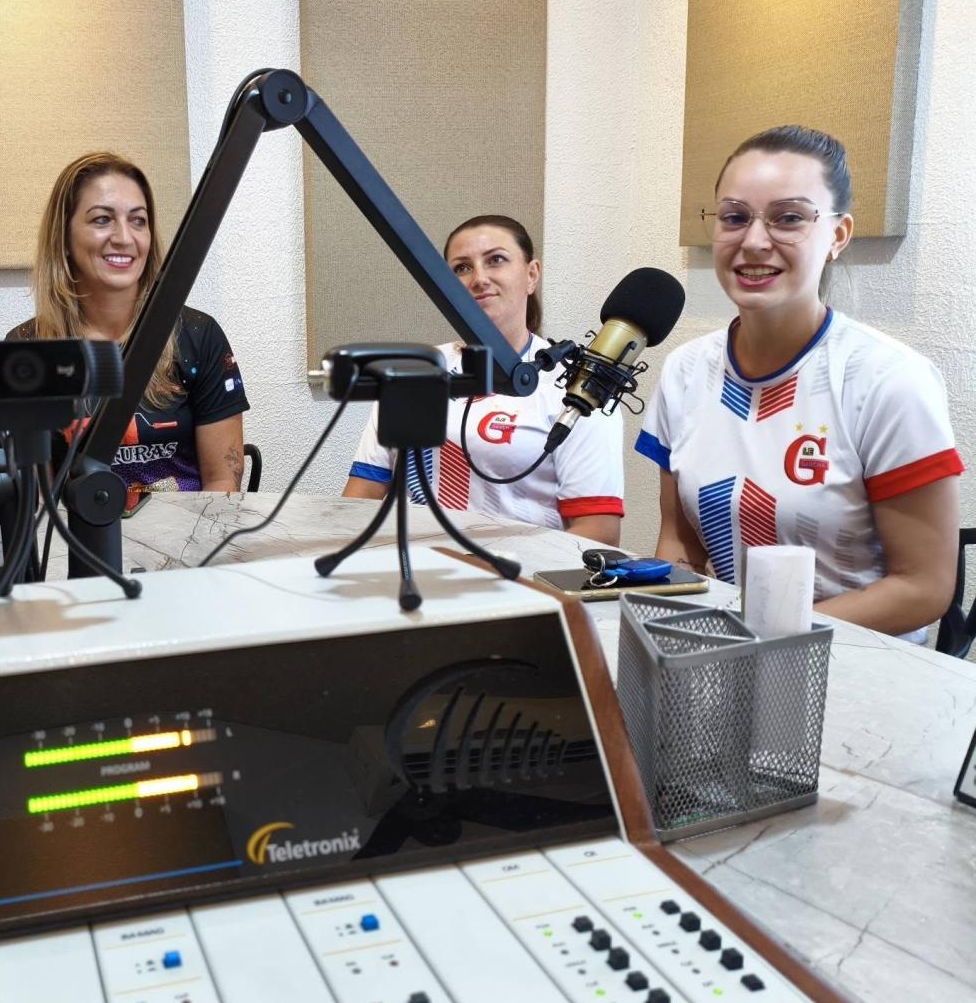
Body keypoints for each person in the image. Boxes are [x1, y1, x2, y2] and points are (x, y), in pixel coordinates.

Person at [638, 125, 962, 639]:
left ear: (837, 235)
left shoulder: (890, 380)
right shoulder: (684, 370)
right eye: (734, 217)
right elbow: (679, 544)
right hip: (725, 652)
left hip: (861, 667)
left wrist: (766, 634)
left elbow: (924, 586)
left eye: (789, 218)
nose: (754, 241)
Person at [343, 214, 624, 545]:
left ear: (531, 275)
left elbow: (598, 533)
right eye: (462, 268)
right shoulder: (417, 372)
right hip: (413, 573)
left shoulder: (577, 390)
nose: (479, 278)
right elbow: (363, 496)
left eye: (496, 260)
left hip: (519, 580)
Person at [9, 152, 247, 499]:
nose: (124, 237)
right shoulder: (27, 348)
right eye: (103, 219)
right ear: (64, 236)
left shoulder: (198, 335)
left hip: (185, 543)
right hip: (78, 545)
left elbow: (223, 485)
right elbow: (34, 502)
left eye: (138, 221)